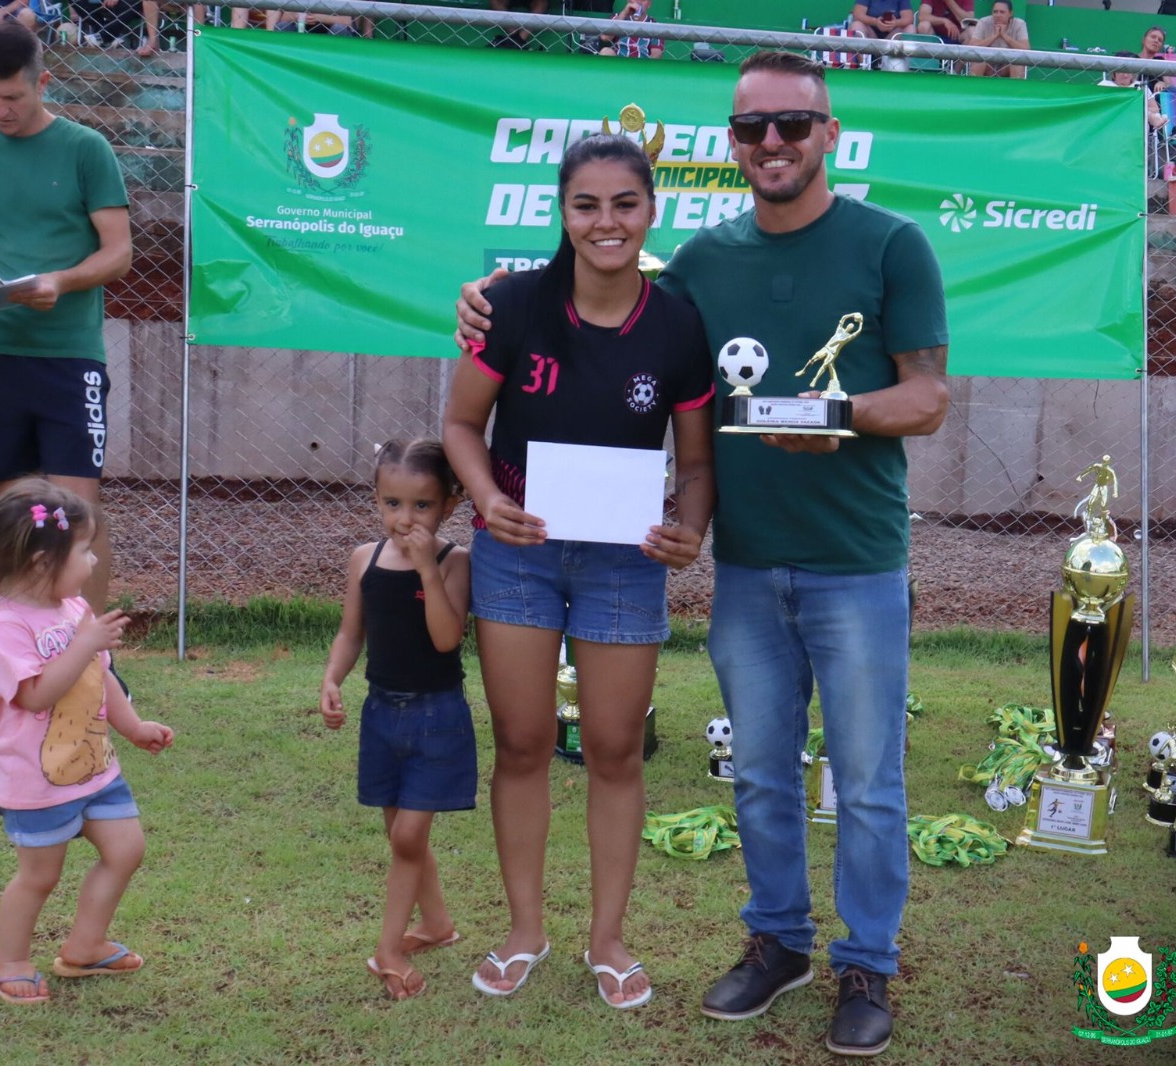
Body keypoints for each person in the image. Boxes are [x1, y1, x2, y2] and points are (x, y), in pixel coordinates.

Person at [456, 50, 949, 1058]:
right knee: (760, 774)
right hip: (747, 565)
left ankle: (867, 962)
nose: (772, 142)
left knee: (865, 778)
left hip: (856, 560)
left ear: (827, 131)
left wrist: (836, 415)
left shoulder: (892, 244)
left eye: (793, 124)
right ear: (731, 143)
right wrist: (488, 291)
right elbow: (604, 286)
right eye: (752, 126)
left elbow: (928, 396)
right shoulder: (701, 267)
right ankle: (778, 943)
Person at [443, 133, 715, 1011]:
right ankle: (525, 930)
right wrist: (488, 500)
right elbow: (460, 427)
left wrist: (691, 528)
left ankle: (608, 939)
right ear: (561, 212)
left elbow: (696, 463)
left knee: (614, 749)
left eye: (625, 204)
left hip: (624, 564)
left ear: (652, 210)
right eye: (586, 205)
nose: (607, 222)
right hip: (517, 553)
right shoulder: (512, 305)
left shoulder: (677, 324)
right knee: (523, 743)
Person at [0, 22, 131, 613]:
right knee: (15, 514)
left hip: (69, 354)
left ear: (42, 83)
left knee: (77, 515)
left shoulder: (86, 148)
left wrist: (59, 282)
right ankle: (27, 644)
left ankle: (90, 649)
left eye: (12, 96)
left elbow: (119, 253)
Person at [0, 480, 173, 1004]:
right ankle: (9, 961)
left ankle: (85, 945)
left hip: (95, 767)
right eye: (84, 551)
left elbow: (101, 676)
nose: (93, 562)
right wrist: (83, 644)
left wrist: (133, 726)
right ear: (41, 562)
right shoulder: (6, 626)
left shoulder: (73, 607)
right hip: (36, 781)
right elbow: (35, 695)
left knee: (127, 849)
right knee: (40, 876)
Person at [319, 440, 475, 1002]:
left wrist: (427, 570)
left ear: (449, 505)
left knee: (409, 836)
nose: (404, 518)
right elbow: (350, 632)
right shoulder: (364, 559)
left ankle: (387, 950)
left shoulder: (454, 561)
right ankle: (436, 924)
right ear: (376, 499)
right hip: (381, 714)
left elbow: (446, 638)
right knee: (400, 835)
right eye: (392, 503)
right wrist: (332, 678)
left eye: (422, 506)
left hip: (437, 717)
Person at [968, 0, 1029, 78]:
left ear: (1010, 13)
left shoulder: (1019, 24)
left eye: (1002, 12)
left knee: (1017, 64)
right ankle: (974, 85)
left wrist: (1004, 36)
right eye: (995, 12)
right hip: (987, 62)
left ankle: (1016, 86)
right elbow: (972, 45)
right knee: (978, 62)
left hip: (1007, 64)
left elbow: (1026, 48)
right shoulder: (983, 22)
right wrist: (994, 36)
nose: (998, 15)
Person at [1109, 52, 1168, 131]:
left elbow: (1155, 109)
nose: (1125, 75)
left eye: (1129, 71)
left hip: (1135, 125)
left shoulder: (1141, 87)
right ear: (1114, 72)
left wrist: (1139, 109)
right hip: (1112, 121)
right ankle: (1151, 118)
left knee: (1142, 110)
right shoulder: (1104, 86)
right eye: (1121, 70)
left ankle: (1151, 117)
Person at [599, 1, 664, 58]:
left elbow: (656, 54)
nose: (638, 2)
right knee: (606, 51)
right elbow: (605, 37)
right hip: (618, 63)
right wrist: (624, 13)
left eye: (643, 0)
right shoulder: (618, 17)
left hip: (642, 64)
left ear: (649, 4)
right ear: (628, 1)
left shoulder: (655, 25)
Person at [849, 0, 915, 39]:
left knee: (910, 28)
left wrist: (895, 23)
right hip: (871, 35)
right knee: (856, 25)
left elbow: (909, 18)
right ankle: (862, 58)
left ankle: (901, 59)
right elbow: (858, 15)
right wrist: (875, 22)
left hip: (892, 38)